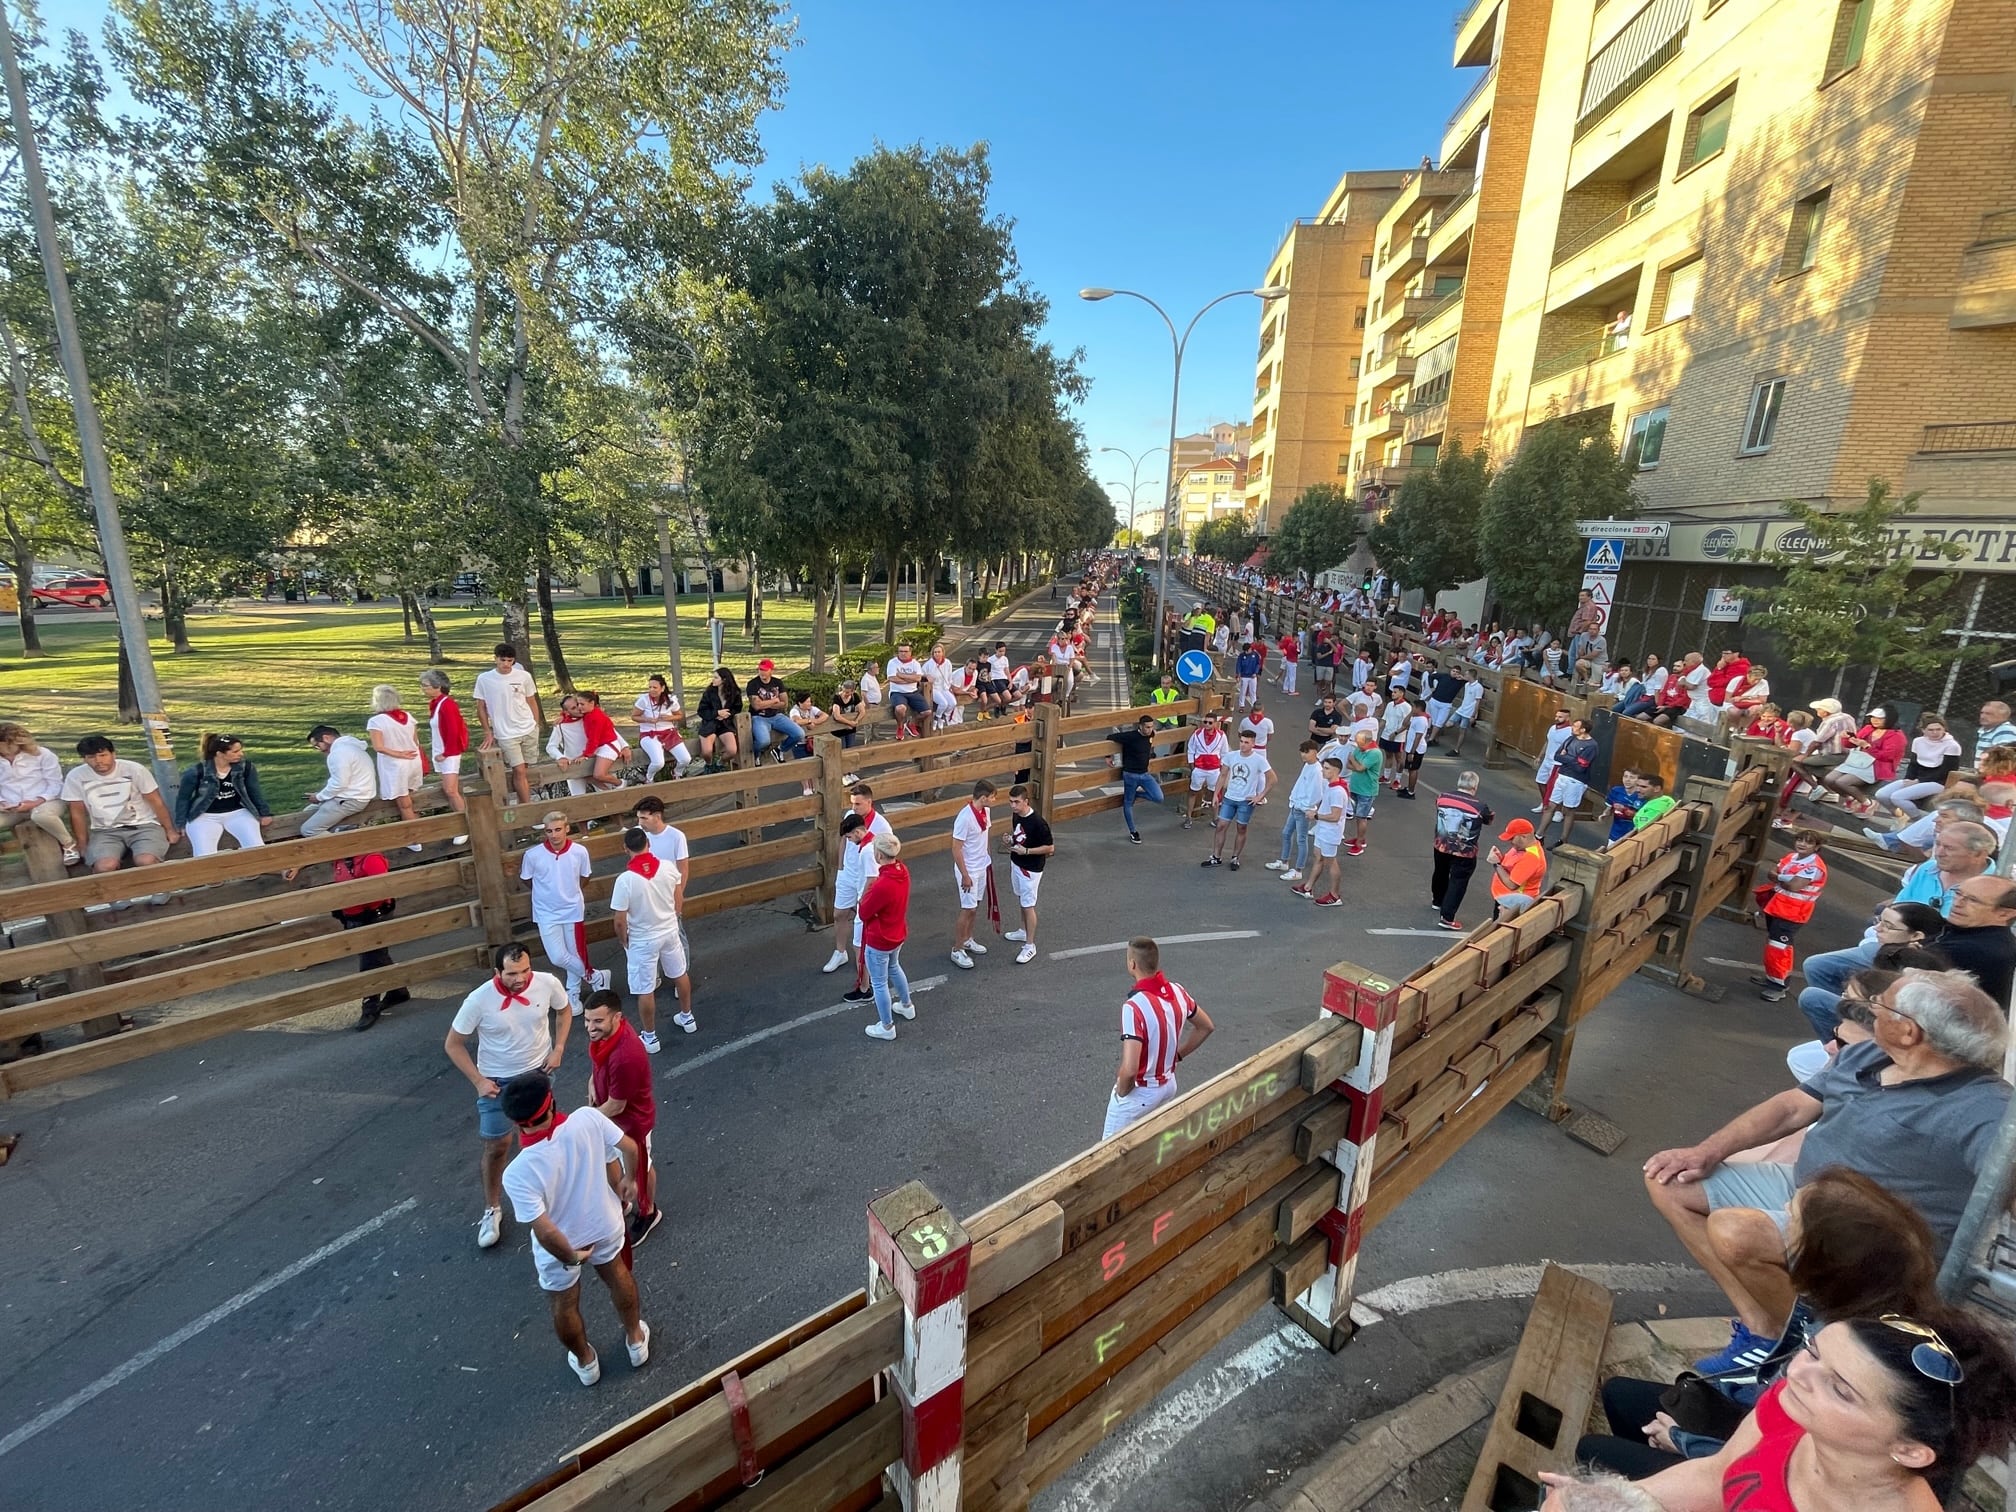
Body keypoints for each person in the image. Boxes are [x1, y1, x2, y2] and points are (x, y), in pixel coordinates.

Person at [1643, 968, 2010, 1369]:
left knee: (1735, 1233)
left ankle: (1812, 1352)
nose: (1868, 1009)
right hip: (1806, 1189)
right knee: (1670, 1182)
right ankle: (1765, 1330)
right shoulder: (1871, 1053)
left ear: (1909, 1032)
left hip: (1875, 1242)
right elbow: (1792, 1107)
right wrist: (1706, 1151)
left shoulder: (1986, 1109)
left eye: (1880, 1003)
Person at [1575, 1167, 1946, 1480]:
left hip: (1776, 1470)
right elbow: (1771, 1404)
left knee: (1593, 1451)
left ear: (1823, 1258)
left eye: (1792, 1221)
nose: (1780, 1218)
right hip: (1764, 1437)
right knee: (1619, 1394)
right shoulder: (1856, 1307)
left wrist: (1684, 1441)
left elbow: (1789, 1458)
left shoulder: (1855, 1350)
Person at [1628, 1310, 2016, 1512]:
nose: (1796, 1373)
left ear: (1911, 1450)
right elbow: (1715, 1475)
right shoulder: (1793, 1410)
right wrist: (1603, 1499)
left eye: (1841, 1390)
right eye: (1813, 1351)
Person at [496, 1069, 650, 1386]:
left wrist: (572, 1257)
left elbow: (546, 1231)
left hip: (561, 1249)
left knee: (564, 1305)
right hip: (604, 1222)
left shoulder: (517, 1173)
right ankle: (635, 1340)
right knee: (619, 1277)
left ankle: (586, 1362)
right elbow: (630, 1148)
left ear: (516, 1122)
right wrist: (628, 1181)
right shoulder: (587, 1119)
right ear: (551, 1103)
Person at [444, 941, 572, 1249]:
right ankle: (493, 1208)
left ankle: (551, 1198)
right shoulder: (478, 1000)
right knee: (498, 1146)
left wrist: (558, 1049)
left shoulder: (546, 983)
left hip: (538, 1077)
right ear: (497, 972)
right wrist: (478, 1081)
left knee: (544, 1137)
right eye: (512, 973)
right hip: (497, 1084)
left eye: (526, 970)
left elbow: (564, 1009)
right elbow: (453, 1044)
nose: (521, 979)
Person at [1103, 936, 1215, 1139]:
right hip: (1168, 1086)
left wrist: (1121, 1092)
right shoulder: (1178, 991)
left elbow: (1130, 1069)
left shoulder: (1134, 1007)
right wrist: (1177, 1056)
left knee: (1106, 1154)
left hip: (1142, 1092)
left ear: (1132, 964)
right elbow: (1206, 1026)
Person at [583, 991, 660, 1245]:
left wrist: (584, 1120)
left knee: (640, 1168)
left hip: (631, 1123)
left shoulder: (625, 1054)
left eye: (597, 1022)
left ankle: (648, 1212)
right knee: (610, 1158)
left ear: (617, 1017)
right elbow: (598, 1065)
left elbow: (617, 1105)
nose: (590, 1028)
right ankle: (623, 1200)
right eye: (587, 1020)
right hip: (608, 1117)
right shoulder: (606, 1038)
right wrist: (593, 1081)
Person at [611, 826, 690, 1050]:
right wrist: (674, 918)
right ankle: (687, 1016)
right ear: (649, 844)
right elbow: (678, 898)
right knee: (679, 973)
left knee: (645, 988)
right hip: (668, 929)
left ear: (625, 849)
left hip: (643, 937)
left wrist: (623, 939)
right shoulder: (667, 867)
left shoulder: (625, 880)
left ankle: (650, 1035)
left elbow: (619, 919)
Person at [520, 811, 598, 1012]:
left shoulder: (580, 851)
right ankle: (594, 976)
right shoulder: (532, 855)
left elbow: (585, 876)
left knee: (573, 953)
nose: (553, 835)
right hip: (546, 913)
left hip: (572, 910)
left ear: (566, 828)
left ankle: (573, 993)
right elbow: (527, 879)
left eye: (557, 830)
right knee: (557, 956)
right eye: (549, 831)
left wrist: (570, 893)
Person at [330, 847, 408, 1030]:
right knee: (377, 956)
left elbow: (384, 889)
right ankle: (398, 990)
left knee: (369, 961)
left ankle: (370, 1005)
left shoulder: (370, 858)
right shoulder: (339, 858)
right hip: (353, 918)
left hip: (374, 915)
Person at [824, 783, 894, 981]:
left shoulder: (882, 826)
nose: (854, 808)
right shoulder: (850, 816)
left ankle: (867, 959)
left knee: (866, 920)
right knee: (839, 914)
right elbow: (844, 840)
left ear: (869, 802)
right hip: (847, 873)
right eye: (852, 803)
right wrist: (840, 866)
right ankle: (840, 952)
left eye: (858, 804)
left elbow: (890, 852)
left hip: (867, 876)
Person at [1750, 829, 1828, 1003]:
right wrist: (1784, 879)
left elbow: (1794, 886)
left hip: (1793, 912)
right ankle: (1773, 978)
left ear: (1817, 847)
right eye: (1800, 840)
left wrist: (1780, 878)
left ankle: (1779, 986)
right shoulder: (1792, 857)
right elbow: (1773, 872)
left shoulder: (1814, 867)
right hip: (1778, 907)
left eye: (1808, 842)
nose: (1802, 844)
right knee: (1774, 944)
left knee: (1780, 947)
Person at [857, 832, 916, 1039]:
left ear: (880, 855)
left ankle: (887, 1026)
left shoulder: (882, 884)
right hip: (897, 932)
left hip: (880, 938)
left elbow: (863, 912)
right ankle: (906, 1005)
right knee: (894, 967)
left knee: (879, 983)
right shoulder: (903, 871)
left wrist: (864, 899)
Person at [174, 733, 272, 857]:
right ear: (220, 754)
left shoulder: (245, 768)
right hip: (204, 815)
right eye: (235, 751)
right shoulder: (196, 772)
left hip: (237, 812)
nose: (241, 754)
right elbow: (183, 798)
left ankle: (252, 873)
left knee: (256, 847)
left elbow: (254, 791)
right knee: (204, 855)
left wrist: (264, 813)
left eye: (240, 750)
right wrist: (180, 823)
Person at [473, 643, 544, 806]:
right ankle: (527, 809)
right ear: (495, 659)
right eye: (502, 660)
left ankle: (522, 804)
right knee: (518, 770)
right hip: (506, 733)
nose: (506, 664)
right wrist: (487, 731)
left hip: (528, 728)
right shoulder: (484, 679)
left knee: (523, 770)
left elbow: (531, 700)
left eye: (509, 660)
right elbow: (481, 707)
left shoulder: (524, 676)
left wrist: (535, 723)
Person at [0, 722, 77, 863]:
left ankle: (68, 844)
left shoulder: (43, 755)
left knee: (41, 816)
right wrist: (2, 802)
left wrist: (36, 802)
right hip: (11, 807)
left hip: (46, 801)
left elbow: (55, 784)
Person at [1203, 727, 1273, 871]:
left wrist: (1260, 796)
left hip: (1246, 801)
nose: (1243, 745)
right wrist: (1216, 794)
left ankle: (1235, 857)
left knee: (1241, 828)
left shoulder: (1259, 760)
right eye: (1241, 741)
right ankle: (1216, 856)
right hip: (1229, 797)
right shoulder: (1231, 756)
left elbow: (1272, 778)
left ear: (1253, 743)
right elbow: (1222, 775)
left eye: (1246, 742)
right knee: (1221, 825)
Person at [1431, 772, 1493, 931]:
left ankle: (1437, 900)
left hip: (1441, 844)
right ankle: (1447, 916)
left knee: (1440, 871)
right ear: (1475, 786)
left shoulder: (1442, 797)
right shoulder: (1480, 805)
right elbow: (1488, 819)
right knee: (1458, 881)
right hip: (1464, 851)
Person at [1872, 717, 1963, 822]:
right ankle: (1900, 816)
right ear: (1923, 730)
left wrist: (1918, 781)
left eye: (1938, 729)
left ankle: (1919, 821)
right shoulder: (1918, 741)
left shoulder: (1952, 745)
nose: (1935, 732)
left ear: (1944, 729)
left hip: (1938, 781)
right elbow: (1913, 764)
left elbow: (1946, 771)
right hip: (1918, 779)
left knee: (1898, 797)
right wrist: (1908, 779)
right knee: (1882, 795)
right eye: (1931, 730)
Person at [950, 779, 999, 970]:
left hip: (981, 866)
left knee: (975, 906)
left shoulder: (985, 811)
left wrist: (987, 857)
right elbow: (956, 848)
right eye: (993, 797)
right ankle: (957, 949)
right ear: (984, 797)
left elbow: (985, 834)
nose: (995, 800)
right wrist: (965, 874)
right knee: (967, 908)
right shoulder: (964, 818)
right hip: (968, 869)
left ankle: (968, 939)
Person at [419, 669, 471, 841]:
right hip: (442, 752)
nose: (423, 689)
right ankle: (460, 822)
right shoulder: (435, 703)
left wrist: (447, 752)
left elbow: (453, 731)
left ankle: (466, 825)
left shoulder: (447, 704)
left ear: (437, 686)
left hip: (449, 753)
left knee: (450, 790)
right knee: (448, 790)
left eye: (425, 686)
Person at [1821, 707, 1905, 814]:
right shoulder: (1868, 728)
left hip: (1877, 766)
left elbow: (1888, 756)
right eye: (1873, 717)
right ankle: (1851, 797)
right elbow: (1851, 744)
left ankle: (1867, 803)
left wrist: (1867, 746)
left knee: (1843, 782)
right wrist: (1846, 738)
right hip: (1858, 761)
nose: (1875, 720)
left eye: (1879, 718)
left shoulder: (1896, 735)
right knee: (1829, 779)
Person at [365, 684, 427, 828]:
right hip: (413, 759)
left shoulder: (376, 721)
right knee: (409, 795)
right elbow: (415, 741)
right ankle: (416, 821)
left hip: (395, 764)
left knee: (403, 802)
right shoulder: (408, 716)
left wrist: (398, 754)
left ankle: (415, 834)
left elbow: (378, 747)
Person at [1004, 784, 1052, 964]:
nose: (1013, 806)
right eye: (1010, 802)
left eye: (1016, 802)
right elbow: (1019, 836)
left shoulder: (1039, 823)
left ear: (1026, 801)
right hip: (1016, 863)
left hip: (1030, 869)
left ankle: (1030, 945)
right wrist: (1010, 840)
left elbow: (1050, 847)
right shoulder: (1017, 816)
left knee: (1028, 905)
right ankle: (1023, 931)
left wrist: (1026, 852)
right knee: (1021, 900)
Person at [300, 724, 376, 837]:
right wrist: (321, 795)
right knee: (307, 812)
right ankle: (340, 830)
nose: (319, 750)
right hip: (354, 795)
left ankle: (347, 842)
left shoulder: (338, 753)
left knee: (308, 830)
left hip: (350, 799)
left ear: (326, 738)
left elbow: (339, 783)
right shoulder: (351, 747)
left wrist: (319, 797)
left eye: (317, 745)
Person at [1269, 739, 1324, 884]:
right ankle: (1284, 862)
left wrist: (1307, 807)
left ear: (1315, 752)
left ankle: (1298, 870)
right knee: (1286, 833)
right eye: (1302, 752)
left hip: (1303, 809)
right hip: (1296, 806)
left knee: (1301, 839)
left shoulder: (1317, 771)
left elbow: (1317, 793)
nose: (1304, 755)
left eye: (1307, 752)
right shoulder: (1307, 766)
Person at [1541, 718, 1599, 845]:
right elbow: (1557, 756)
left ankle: (1563, 839)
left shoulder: (1591, 746)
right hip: (1562, 776)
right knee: (1550, 806)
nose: (1572, 727)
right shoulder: (1570, 739)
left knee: (1568, 811)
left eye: (1576, 726)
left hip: (1576, 781)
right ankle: (1539, 835)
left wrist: (1566, 757)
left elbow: (1580, 767)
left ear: (1583, 730)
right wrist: (1573, 759)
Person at [1303, 756, 1348, 906]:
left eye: (1327, 768)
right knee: (1318, 856)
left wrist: (1315, 815)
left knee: (1331, 862)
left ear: (1336, 771)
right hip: (1323, 829)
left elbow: (1335, 816)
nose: (1323, 770)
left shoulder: (1337, 791)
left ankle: (1335, 895)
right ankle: (1308, 887)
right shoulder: (1332, 785)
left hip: (1330, 832)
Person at [633, 674, 691, 782]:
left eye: (655, 687)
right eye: (650, 687)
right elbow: (634, 716)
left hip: (668, 733)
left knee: (685, 759)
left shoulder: (670, 700)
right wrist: (648, 720)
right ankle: (649, 778)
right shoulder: (643, 700)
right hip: (649, 734)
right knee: (658, 762)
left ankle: (677, 773)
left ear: (662, 688)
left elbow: (679, 715)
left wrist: (670, 717)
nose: (652, 690)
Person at [743, 659, 802, 763]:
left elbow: (784, 704)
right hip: (759, 717)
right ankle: (755, 755)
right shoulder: (753, 684)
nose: (762, 672)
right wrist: (774, 700)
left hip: (777, 716)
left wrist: (764, 704)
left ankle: (780, 750)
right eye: (760, 669)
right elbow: (756, 706)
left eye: (765, 670)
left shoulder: (777, 682)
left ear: (771, 671)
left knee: (799, 734)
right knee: (763, 741)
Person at [1489, 818, 1546, 918]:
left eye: (1512, 838)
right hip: (1507, 899)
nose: (1510, 842)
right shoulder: (1521, 847)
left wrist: (1496, 864)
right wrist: (1500, 858)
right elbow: (1511, 866)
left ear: (1523, 837)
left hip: (1512, 903)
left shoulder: (1531, 857)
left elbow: (1512, 885)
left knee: (1499, 932)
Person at [1183, 713, 1229, 830]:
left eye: (1210, 722)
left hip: (1214, 770)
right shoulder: (1197, 734)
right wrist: (1192, 767)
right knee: (1193, 792)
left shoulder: (1221, 735)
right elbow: (1191, 750)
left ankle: (1215, 818)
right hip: (1199, 769)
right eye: (1205, 722)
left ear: (1215, 723)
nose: (1207, 725)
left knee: (1215, 794)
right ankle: (1188, 817)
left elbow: (1224, 752)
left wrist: (1222, 768)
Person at [1343, 728, 1382, 857]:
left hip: (1367, 790)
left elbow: (1359, 767)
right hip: (1356, 787)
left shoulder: (1375, 753)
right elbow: (1349, 765)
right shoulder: (1360, 749)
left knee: (1362, 817)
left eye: (1359, 742)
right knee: (1357, 816)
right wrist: (1355, 763)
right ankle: (1359, 837)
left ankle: (1359, 843)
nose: (1356, 744)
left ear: (1367, 741)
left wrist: (1353, 760)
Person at [694, 666, 741, 769]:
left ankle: (720, 763)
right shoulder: (709, 693)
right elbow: (701, 711)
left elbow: (737, 708)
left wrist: (727, 714)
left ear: (724, 680)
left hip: (725, 724)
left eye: (716, 677)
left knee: (732, 750)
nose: (713, 680)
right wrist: (717, 713)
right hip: (710, 723)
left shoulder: (735, 693)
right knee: (707, 752)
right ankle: (709, 765)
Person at [1533, 709, 1574, 814]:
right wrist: (1539, 756)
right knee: (1540, 781)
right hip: (1547, 760)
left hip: (1558, 763)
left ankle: (1558, 811)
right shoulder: (1552, 728)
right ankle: (1545, 804)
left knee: (1556, 787)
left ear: (1567, 718)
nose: (1557, 718)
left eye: (1560, 717)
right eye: (1556, 716)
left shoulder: (1569, 731)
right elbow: (1547, 742)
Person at [885, 642, 930, 729]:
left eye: (905, 651)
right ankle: (900, 726)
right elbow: (892, 678)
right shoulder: (892, 662)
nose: (903, 653)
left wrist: (901, 675)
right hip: (897, 692)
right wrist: (910, 679)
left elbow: (918, 678)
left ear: (910, 652)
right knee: (900, 709)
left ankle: (912, 723)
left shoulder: (915, 663)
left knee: (927, 712)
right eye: (900, 651)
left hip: (913, 692)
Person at [1397, 697, 1431, 799]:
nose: (1412, 708)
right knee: (1410, 769)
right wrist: (1411, 713)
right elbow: (1405, 723)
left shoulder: (1422, 720)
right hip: (1410, 747)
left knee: (1413, 770)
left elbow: (1418, 737)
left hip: (1416, 749)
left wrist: (1412, 752)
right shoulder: (1416, 717)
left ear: (1418, 708)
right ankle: (1408, 788)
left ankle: (1411, 792)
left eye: (1413, 707)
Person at [1603, 769, 1645, 847]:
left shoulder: (1642, 796)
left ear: (1639, 781)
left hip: (1633, 834)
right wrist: (1605, 814)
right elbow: (1609, 807)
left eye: (1632, 777)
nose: (1627, 780)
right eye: (1625, 776)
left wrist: (1624, 810)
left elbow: (1642, 816)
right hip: (1615, 832)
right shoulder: (1616, 791)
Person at [828, 678, 865, 746]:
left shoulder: (855, 696)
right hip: (839, 729)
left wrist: (856, 721)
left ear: (853, 691)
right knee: (842, 748)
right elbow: (837, 716)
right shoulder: (837, 698)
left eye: (847, 692)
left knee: (851, 747)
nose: (845, 694)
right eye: (844, 691)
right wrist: (850, 723)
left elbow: (862, 711)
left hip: (851, 730)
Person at [1234, 640, 1260, 708]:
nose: (1246, 652)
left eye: (1247, 650)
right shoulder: (1242, 656)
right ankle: (1241, 705)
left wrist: (1255, 672)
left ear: (1250, 649)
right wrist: (1238, 674)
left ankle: (1254, 705)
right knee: (1243, 692)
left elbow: (1258, 664)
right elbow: (1238, 665)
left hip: (1253, 676)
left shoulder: (1255, 655)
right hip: (1244, 676)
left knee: (1253, 692)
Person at [1277, 628, 1300, 696]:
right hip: (1292, 661)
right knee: (1292, 676)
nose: (1298, 639)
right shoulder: (1293, 645)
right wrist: (1299, 646)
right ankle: (1291, 690)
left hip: (1289, 660)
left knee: (1288, 675)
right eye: (1297, 637)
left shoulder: (1290, 644)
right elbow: (1298, 652)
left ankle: (1286, 688)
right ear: (1295, 637)